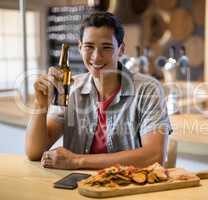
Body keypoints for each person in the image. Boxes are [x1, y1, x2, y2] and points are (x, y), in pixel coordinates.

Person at [25, 11, 171, 170]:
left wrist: (77, 161)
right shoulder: (71, 88)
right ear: (80, 47)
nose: (96, 56)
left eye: (106, 47)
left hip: (126, 190)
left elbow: (155, 156)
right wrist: (40, 104)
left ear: (121, 49)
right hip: (78, 189)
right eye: (89, 46)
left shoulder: (148, 89)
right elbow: (34, 152)